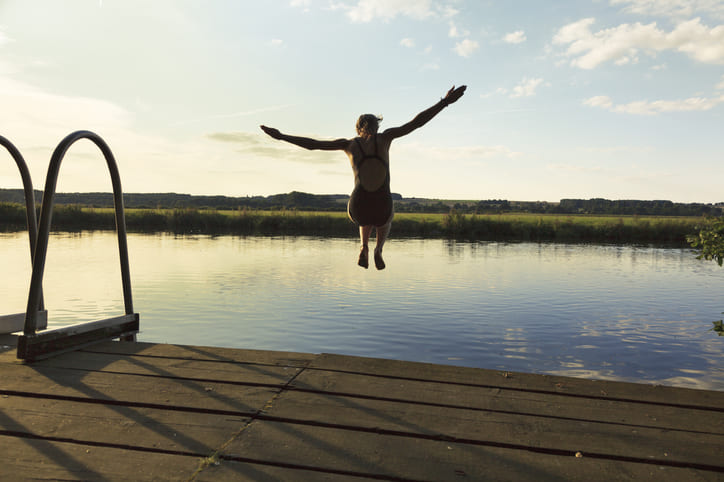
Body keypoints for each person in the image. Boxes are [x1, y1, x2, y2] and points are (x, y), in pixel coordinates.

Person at [260, 84, 466, 270]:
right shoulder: (386, 138)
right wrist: (445, 102)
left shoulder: (349, 144)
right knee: (385, 219)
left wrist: (281, 136)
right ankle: (378, 250)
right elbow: (416, 123)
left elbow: (313, 144)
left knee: (364, 219)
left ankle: (363, 246)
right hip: (382, 203)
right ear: (377, 127)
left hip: (357, 205)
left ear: (358, 129)